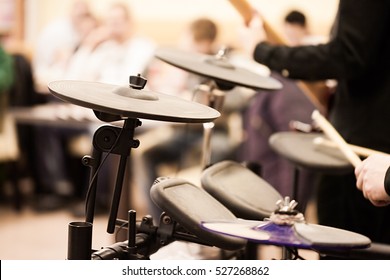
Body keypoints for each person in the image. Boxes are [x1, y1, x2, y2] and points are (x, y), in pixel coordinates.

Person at [248, 0, 390, 245]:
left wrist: (262, 50)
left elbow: (347, 54)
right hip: (370, 148)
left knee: (345, 255)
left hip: (366, 153)